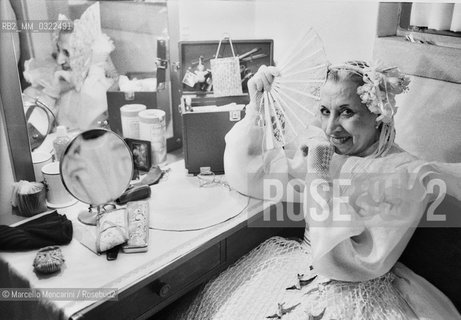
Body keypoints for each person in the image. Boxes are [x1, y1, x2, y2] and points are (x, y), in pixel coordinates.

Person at [167, 61, 461, 319]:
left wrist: (318, 174)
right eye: (324, 111)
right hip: (296, 269)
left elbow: (355, 261)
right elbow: (252, 177)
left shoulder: (404, 175)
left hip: (355, 286)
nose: (331, 126)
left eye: (346, 111)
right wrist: (256, 105)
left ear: (378, 114)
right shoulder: (322, 148)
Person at [22, 2, 118, 131]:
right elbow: (33, 134)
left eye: (67, 52)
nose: (60, 60)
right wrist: (52, 92)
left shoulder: (100, 89)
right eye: (58, 50)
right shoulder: (59, 84)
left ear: (85, 53)